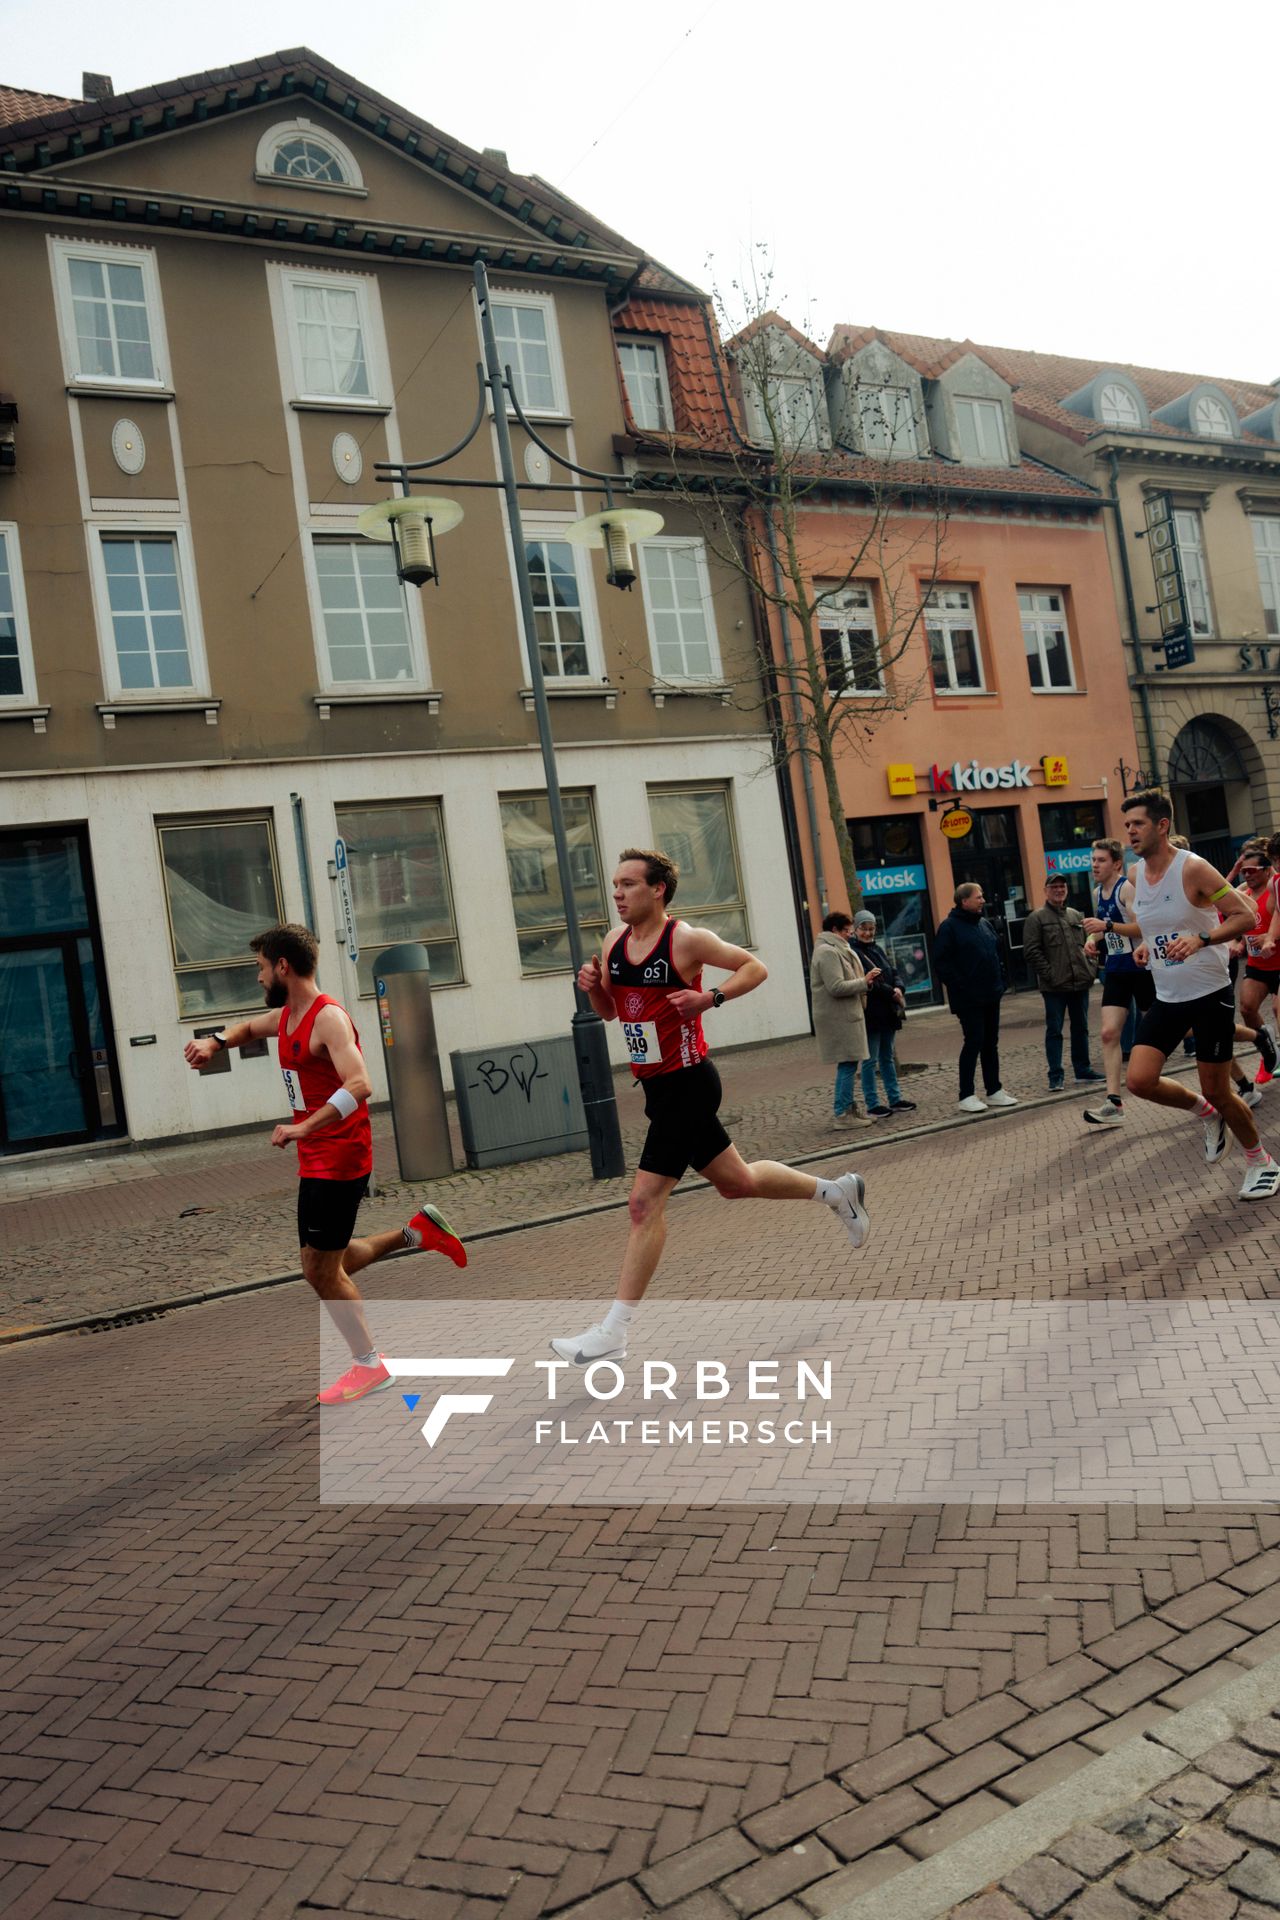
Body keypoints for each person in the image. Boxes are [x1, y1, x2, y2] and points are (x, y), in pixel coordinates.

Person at [549, 849, 870, 1364]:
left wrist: (710, 999)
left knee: (643, 1203)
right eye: (615, 885)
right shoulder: (612, 944)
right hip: (658, 1090)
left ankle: (614, 1331)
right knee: (736, 1182)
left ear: (657, 890)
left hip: (690, 1083)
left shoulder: (686, 940)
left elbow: (755, 967)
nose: (617, 894)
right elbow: (611, 1013)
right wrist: (593, 992)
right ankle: (837, 1193)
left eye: (628, 884)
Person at [182, 923, 467, 1404]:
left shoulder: (326, 1018)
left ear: (282, 967)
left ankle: (370, 1366)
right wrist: (215, 1040)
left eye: (260, 969)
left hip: (338, 1158)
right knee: (322, 1260)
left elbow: (360, 1084)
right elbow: (249, 1027)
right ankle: (415, 1232)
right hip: (316, 1158)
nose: (258, 979)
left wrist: (303, 1127)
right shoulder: (288, 1017)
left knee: (319, 1269)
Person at [1121, 790, 1279, 1199]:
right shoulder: (1137, 875)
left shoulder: (1192, 868)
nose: (1130, 832)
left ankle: (1261, 1161)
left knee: (1219, 1089)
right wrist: (1146, 946)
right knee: (1139, 1080)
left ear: (1161, 825)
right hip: (1169, 994)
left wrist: (1202, 938)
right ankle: (1206, 1115)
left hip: (1209, 992)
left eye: (1137, 823)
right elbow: (1154, 926)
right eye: (1127, 826)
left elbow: (1246, 914)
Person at [1081, 839, 1155, 1124]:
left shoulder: (1127, 888)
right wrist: (1091, 938)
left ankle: (1247, 1037)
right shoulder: (1098, 891)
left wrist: (1106, 926)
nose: (1094, 865)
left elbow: (1141, 927)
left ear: (1116, 864)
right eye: (1093, 860)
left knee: (1182, 1030)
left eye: (1100, 860)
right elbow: (1102, 927)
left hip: (1141, 969)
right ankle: (1114, 1102)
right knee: (1109, 1033)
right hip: (1116, 969)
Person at [933, 882, 1018, 1116]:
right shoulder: (949, 927)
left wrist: (1000, 981)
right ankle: (966, 1095)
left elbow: (996, 953)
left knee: (991, 1042)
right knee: (974, 1041)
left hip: (991, 994)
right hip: (968, 999)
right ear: (964, 901)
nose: (983, 900)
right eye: (978, 897)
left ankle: (994, 1090)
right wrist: (963, 986)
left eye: (982, 896)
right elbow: (942, 963)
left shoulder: (984, 924)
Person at [1022, 872, 1103, 1092]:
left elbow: (1088, 943)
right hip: (1055, 986)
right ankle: (1055, 1075)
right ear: (1046, 891)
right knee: (1054, 1031)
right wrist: (1050, 975)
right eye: (1054, 887)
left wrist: (1090, 967)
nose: (1059, 890)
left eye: (1062, 886)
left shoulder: (1075, 915)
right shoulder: (1036, 918)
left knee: (1081, 1028)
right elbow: (1031, 952)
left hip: (1079, 983)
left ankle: (1082, 1069)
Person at [810, 911, 873, 1129]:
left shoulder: (835, 949)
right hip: (839, 1017)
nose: (849, 934)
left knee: (848, 1063)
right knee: (847, 1064)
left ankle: (847, 1109)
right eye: (846, 930)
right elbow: (835, 986)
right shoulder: (828, 952)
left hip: (844, 1015)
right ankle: (843, 1113)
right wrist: (864, 982)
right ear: (835, 930)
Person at [851, 910, 916, 1117]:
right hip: (872, 1012)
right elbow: (870, 982)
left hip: (887, 1011)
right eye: (864, 929)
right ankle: (872, 1104)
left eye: (871, 929)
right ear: (855, 929)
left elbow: (893, 971)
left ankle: (894, 1098)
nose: (868, 933)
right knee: (870, 1061)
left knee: (887, 1057)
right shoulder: (855, 953)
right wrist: (893, 993)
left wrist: (899, 987)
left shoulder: (877, 948)